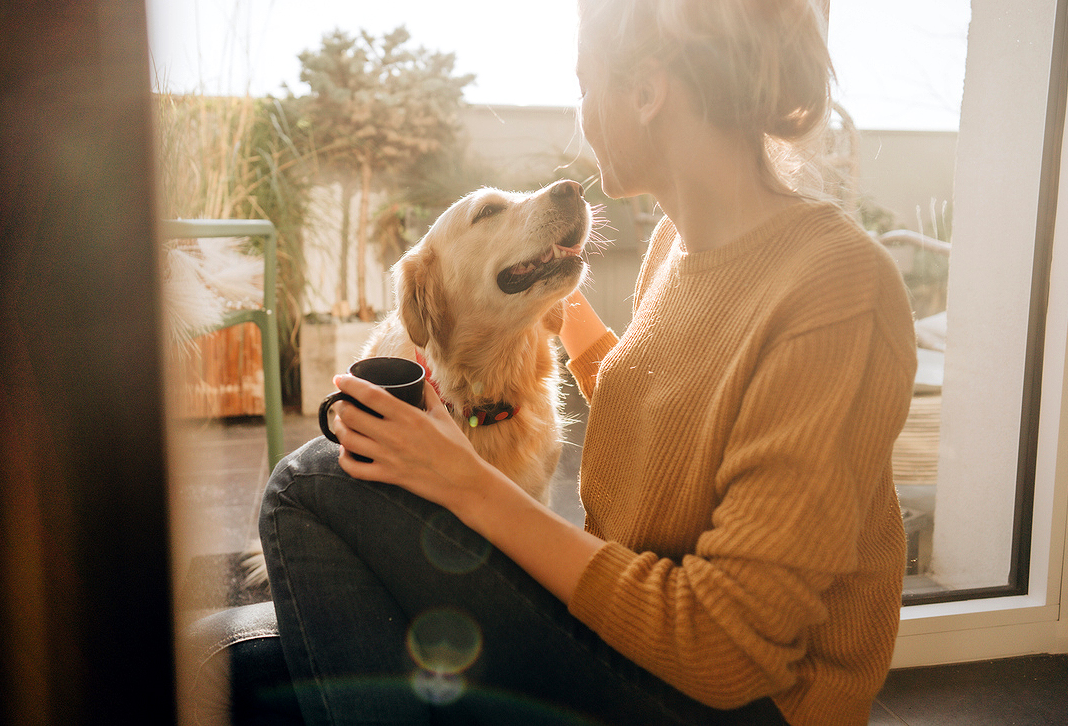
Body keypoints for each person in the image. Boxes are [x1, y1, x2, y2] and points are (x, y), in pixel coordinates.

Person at [259, 0, 917, 724]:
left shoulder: (836, 287)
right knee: (235, 662)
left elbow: (723, 649)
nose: (580, 111)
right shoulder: (676, 246)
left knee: (305, 484)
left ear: (645, 92)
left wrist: (466, 481)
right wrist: (526, 295)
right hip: (627, 628)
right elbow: (678, 416)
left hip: (733, 699)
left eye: (583, 81)